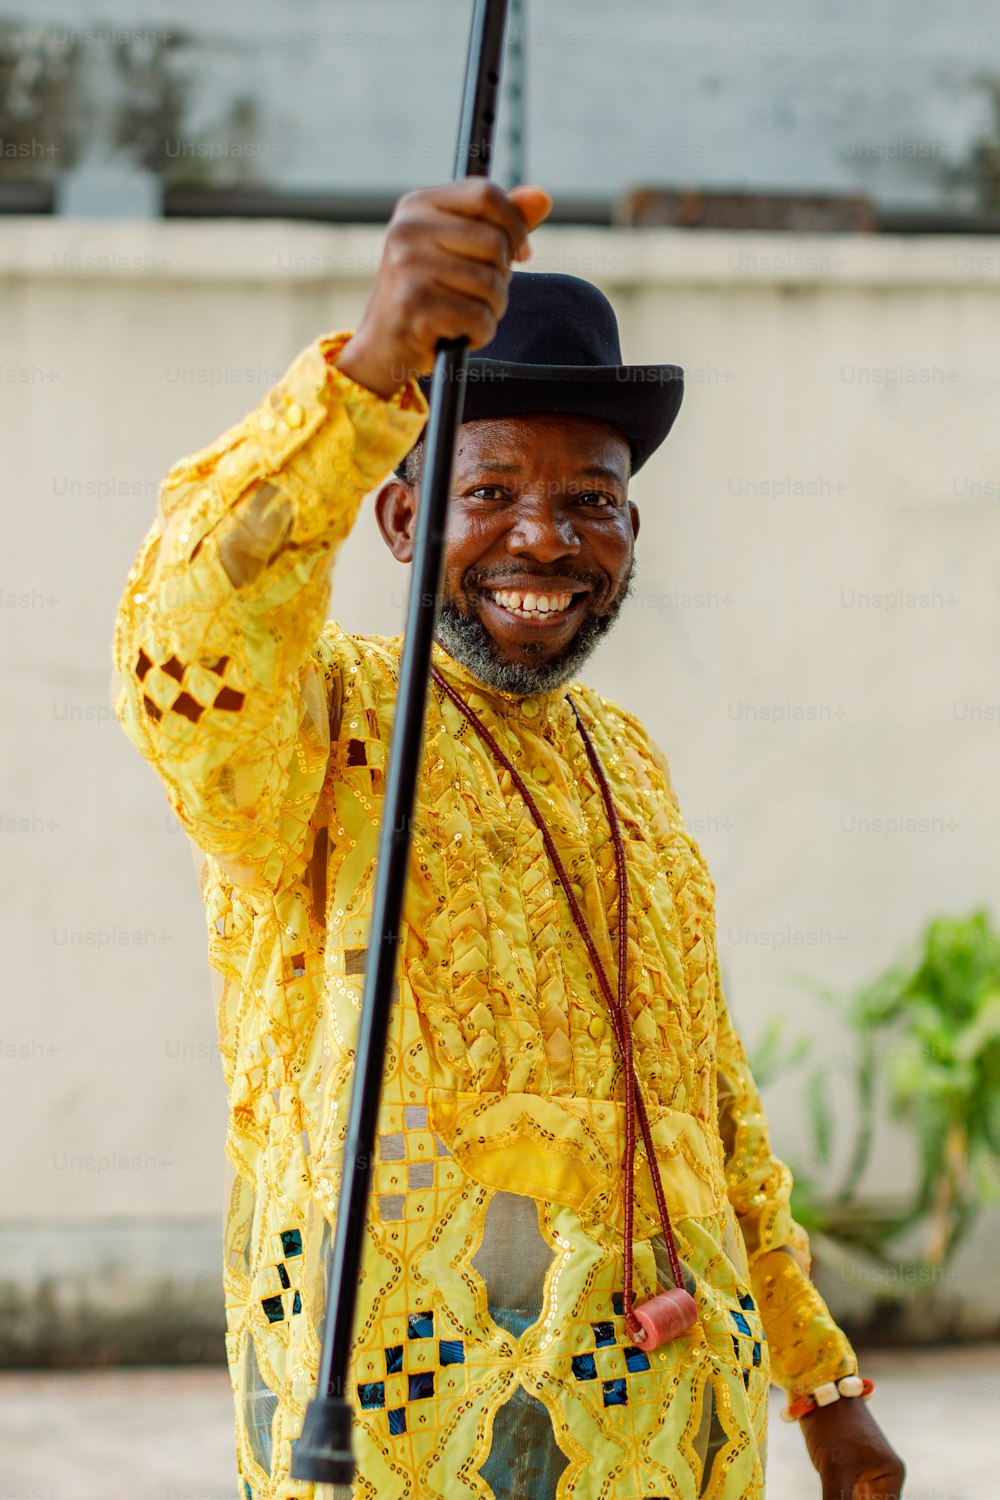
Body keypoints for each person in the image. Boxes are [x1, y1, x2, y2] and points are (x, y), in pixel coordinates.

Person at [113, 179, 905, 1500]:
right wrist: (369, 372)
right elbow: (188, 630)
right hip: (399, 1447)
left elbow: (708, 1101)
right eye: (490, 490)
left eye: (590, 501)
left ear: (632, 534)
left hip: (672, 1443)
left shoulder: (627, 761)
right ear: (403, 519)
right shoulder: (321, 728)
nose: (543, 537)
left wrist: (821, 1386)